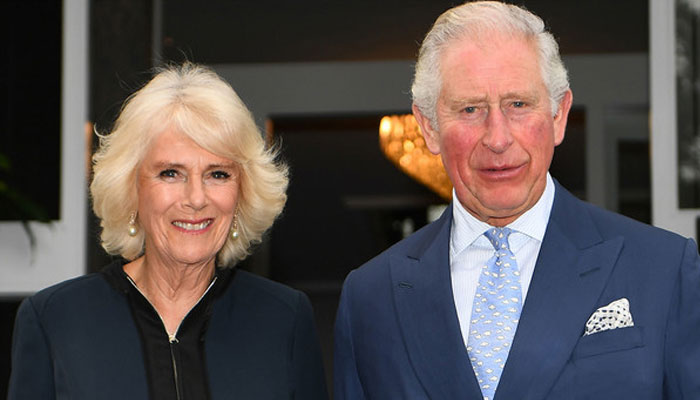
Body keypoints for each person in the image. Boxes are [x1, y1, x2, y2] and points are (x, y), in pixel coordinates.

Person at [334, 2, 700, 399]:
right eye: (470, 109)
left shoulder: (663, 270)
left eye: (519, 105)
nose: (497, 138)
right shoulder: (371, 298)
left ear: (559, 115)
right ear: (429, 127)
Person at [9, 63, 328, 400]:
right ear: (130, 189)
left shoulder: (283, 317)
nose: (196, 199)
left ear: (243, 193)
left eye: (218, 174)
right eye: (171, 173)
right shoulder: (55, 319)